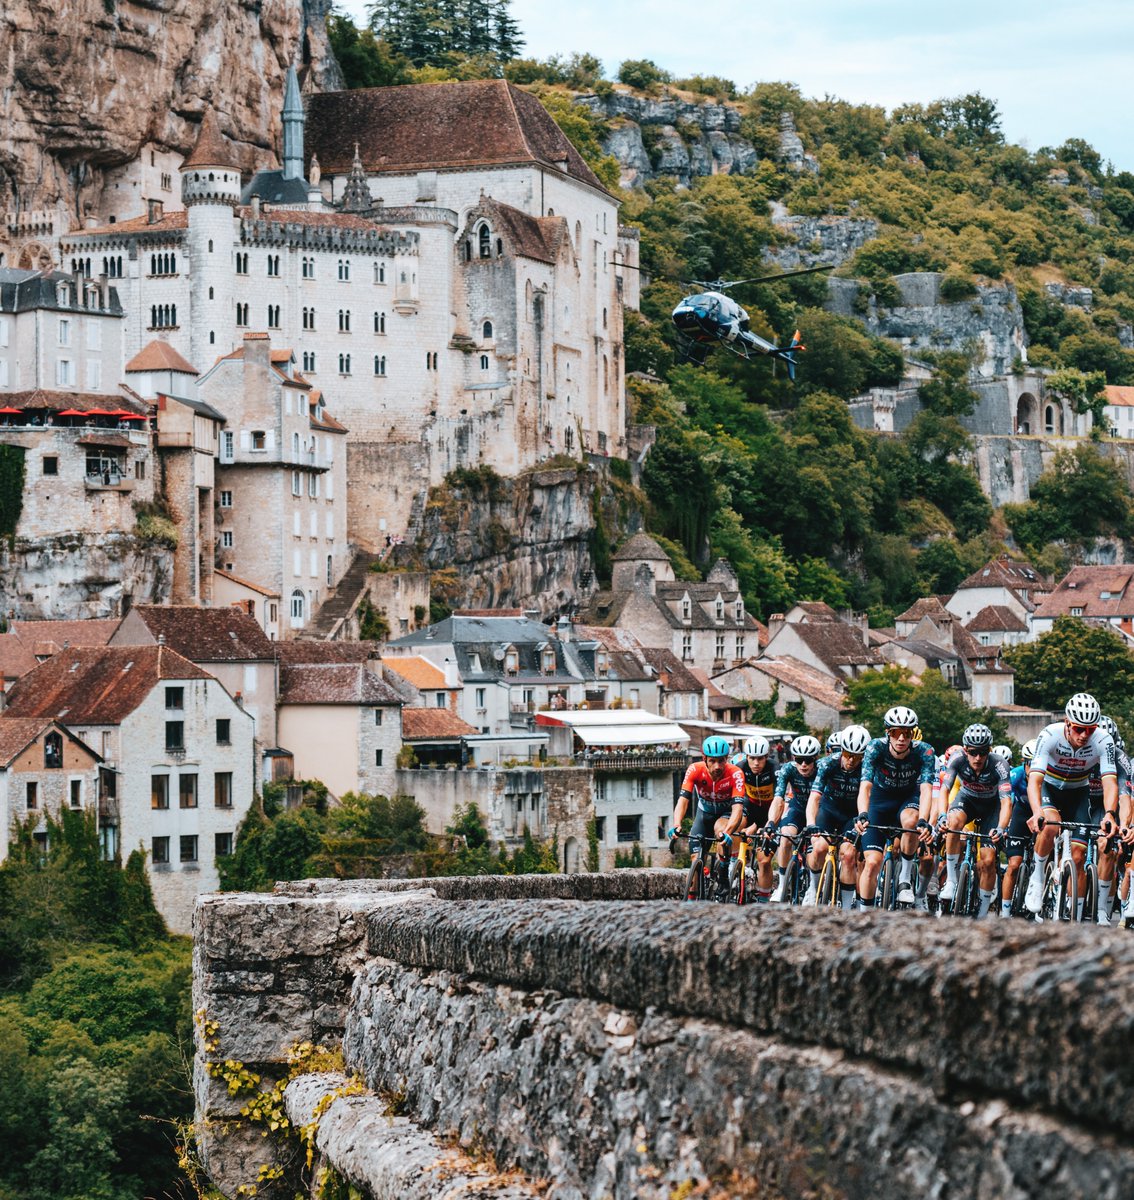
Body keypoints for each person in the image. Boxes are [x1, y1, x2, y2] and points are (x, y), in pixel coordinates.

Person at [1023, 693, 1119, 916]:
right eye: (1078, 729)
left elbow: (1110, 783)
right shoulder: (1049, 735)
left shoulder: (1104, 740)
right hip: (1050, 788)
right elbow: (1035, 781)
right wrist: (1037, 811)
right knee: (1050, 825)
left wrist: (1109, 814)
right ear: (1067, 723)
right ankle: (1036, 878)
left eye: (1090, 729)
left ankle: (1072, 912)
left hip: (1078, 792)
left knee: (1077, 857)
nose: (1085, 735)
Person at [855, 706, 935, 907]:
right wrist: (863, 814)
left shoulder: (925, 751)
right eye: (895, 733)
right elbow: (865, 787)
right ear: (887, 733)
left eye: (906, 733)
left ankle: (904, 881)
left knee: (911, 820)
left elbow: (926, 791)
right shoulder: (875, 748)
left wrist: (924, 821)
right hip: (880, 801)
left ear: (912, 734)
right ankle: (865, 913)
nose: (901, 738)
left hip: (908, 798)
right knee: (872, 863)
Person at [937, 724, 1012, 918]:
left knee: (987, 862)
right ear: (965, 750)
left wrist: (1001, 827)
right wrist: (942, 816)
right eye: (972, 752)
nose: (977, 758)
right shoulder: (957, 759)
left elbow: (1006, 801)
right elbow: (944, 790)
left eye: (982, 752)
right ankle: (952, 881)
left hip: (991, 807)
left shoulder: (999, 764)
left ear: (989, 750)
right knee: (953, 824)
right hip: (967, 800)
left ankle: (983, 911)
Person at [803, 724, 870, 909]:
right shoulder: (827, 763)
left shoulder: (867, 766)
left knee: (848, 855)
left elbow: (870, 796)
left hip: (851, 815)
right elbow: (814, 798)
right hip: (829, 810)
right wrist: (810, 824)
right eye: (848, 754)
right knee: (818, 848)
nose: (851, 760)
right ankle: (813, 887)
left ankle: (847, 908)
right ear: (842, 750)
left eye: (857, 756)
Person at [668, 736, 745, 895]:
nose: (717, 766)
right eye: (712, 761)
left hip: (725, 814)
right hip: (704, 815)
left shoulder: (736, 773)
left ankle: (723, 875)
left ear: (727, 759)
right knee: (695, 860)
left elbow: (737, 809)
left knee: (721, 832)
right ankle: (692, 902)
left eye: (721, 761)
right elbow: (683, 800)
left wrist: (729, 832)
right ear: (705, 759)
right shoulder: (695, 770)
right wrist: (676, 824)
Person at [768, 734, 822, 902]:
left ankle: (814, 887)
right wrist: (770, 823)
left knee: (816, 848)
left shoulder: (823, 769)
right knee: (785, 838)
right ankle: (782, 884)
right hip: (798, 808)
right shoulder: (788, 769)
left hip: (819, 811)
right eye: (799, 760)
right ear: (793, 758)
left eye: (808, 760)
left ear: (816, 758)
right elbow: (778, 799)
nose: (803, 765)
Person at [732, 735, 777, 901]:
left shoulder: (774, 768)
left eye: (760, 759)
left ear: (766, 757)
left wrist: (764, 825)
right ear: (747, 757)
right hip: (750, 808)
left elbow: (779, 800)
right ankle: (733, 863)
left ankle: (764, 900)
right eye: (752, 758)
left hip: (770, 813)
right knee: (734, 825)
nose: (756, 763)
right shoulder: (740, 768)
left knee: (764, 861)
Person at [1000, 738, 1036, 917]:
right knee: (1013, 865)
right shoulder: (1016, 775)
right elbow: (1007, 802)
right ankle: (1005, 912)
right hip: (1020, 814)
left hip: (1042, 816)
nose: (1034, 768)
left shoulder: (1050, 776)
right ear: (1024, 762)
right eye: (1030, 764)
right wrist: (1004, 826)